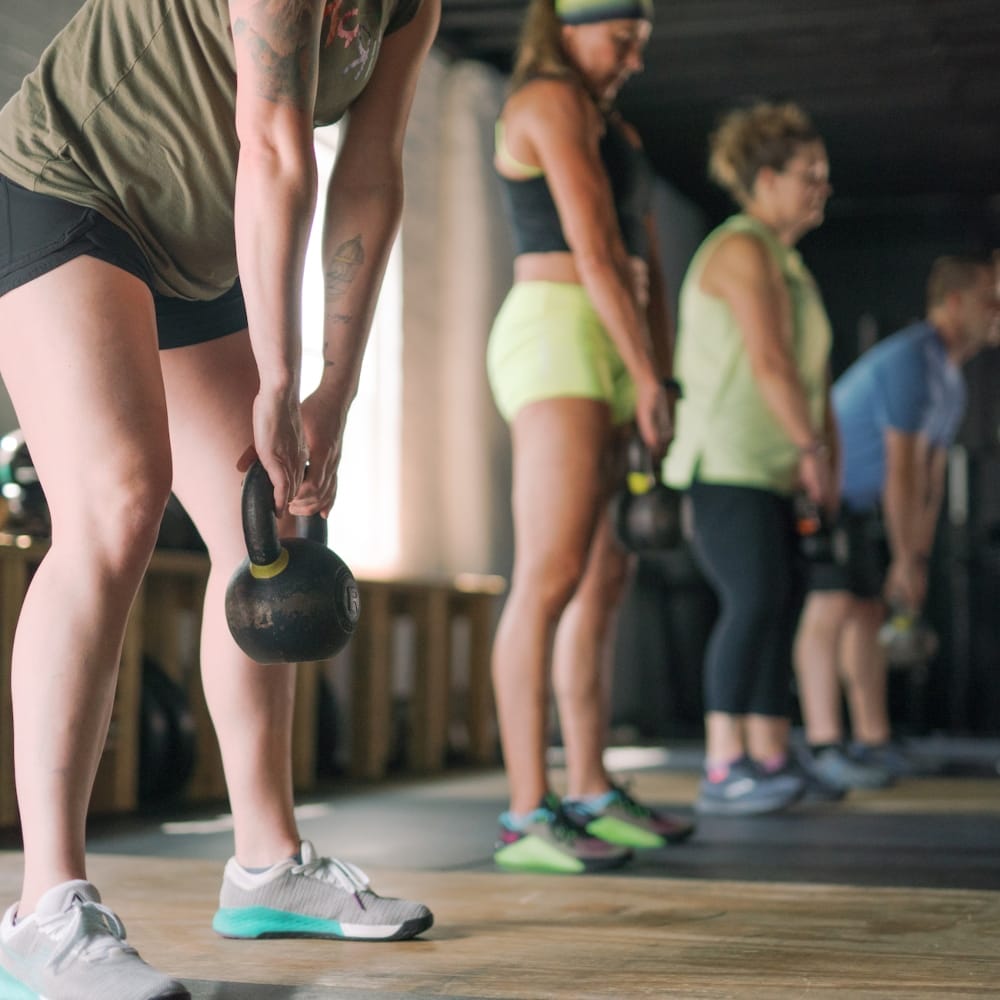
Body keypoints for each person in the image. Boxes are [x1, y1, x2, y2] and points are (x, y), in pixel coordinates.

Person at [0, 0, 440, 996]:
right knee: (117, 502)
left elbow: (373, 172)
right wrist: (279, 379)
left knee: (265, 523)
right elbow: (277, 149)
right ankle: (44, 909)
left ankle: (266, 864)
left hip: (197, 245)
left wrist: (339, 384)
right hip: (70, 186)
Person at [487, 0, 694, 875]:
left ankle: (593, 790)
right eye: (623, 40)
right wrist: (641, 373)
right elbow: (596, 248)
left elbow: (645, 261)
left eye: (641, 45)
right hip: (558, 330)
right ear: (571, 27)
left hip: (614, 341)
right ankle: (527, 810)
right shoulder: (545, 100)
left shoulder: (624, 134)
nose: (633, 59)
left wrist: (659, 371)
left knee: (607, 574)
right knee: (552, 572)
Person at [663, 101, 841, 817]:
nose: (822, 186)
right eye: (810, 174)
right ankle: (723, 764)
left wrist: (812, 452)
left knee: (782, 602)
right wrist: (812, 447)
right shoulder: (741, 248)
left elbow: (810, 372)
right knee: (754, 599)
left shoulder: (787, 261)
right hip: (727, 461)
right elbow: (769, 362)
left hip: (769, 466)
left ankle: (769, 754)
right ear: (764, 178)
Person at [793, 254, 1000, 789]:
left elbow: (930, 482)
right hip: (824, 494)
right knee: (832, 608)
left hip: (864, 507)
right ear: (953, 304)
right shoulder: (913, 360)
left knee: (868, 612)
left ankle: (872, 739)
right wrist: (905, 556)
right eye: (989, 301)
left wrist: (919, 559)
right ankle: (822, 744)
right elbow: (901, 472)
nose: (998, 311)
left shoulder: (950, 379)